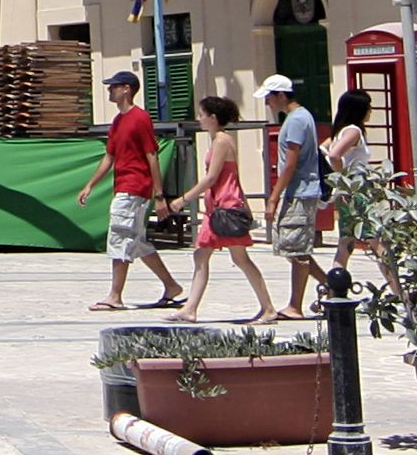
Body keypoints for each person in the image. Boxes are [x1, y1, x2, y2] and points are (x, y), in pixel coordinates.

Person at [73, 69, 182, 312]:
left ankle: (115, 295)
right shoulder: (117, 121)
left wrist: (159, 194)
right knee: (137, 242)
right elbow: (109, 156)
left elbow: (151, 155)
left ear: (127, 89)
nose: (109, 90)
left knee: (120, 237)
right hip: (123, 185)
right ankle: (171, 286)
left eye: (114, 86)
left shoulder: (140, 118)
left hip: (134, 188)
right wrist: (90, 184)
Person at [160, 93, 271, 323]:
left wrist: (184, 199)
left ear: (212, 117)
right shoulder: (221, 140)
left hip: (224, 209)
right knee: (203, 256)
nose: (198, 119)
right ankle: (190, 308)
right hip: (218, 209)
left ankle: (268, 308)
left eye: (201, 115)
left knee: (237, 259)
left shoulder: (221, 141)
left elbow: (211, 178)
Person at [256, 74, 326, 313]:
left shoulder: (296, 121)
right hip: (299, 191)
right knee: (294, 247)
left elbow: (290, 163)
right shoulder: (300, 117)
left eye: (269, 97)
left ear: (281, 95)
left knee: (297, 250)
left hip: (300, 192)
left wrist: (273, 198)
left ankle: (296, 305)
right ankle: (330, 285)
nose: (267, 103)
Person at [321, 87, 392, 289]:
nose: (371, 111)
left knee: (345, 244)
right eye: (368, 107)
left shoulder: (339, 131)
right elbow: (334, 155)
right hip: (357, 191)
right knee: (377, 243)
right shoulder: (354, 131)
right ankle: (400, 294)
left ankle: (334, 291)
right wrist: (344, 177)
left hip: (345, 194)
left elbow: (323, 149)